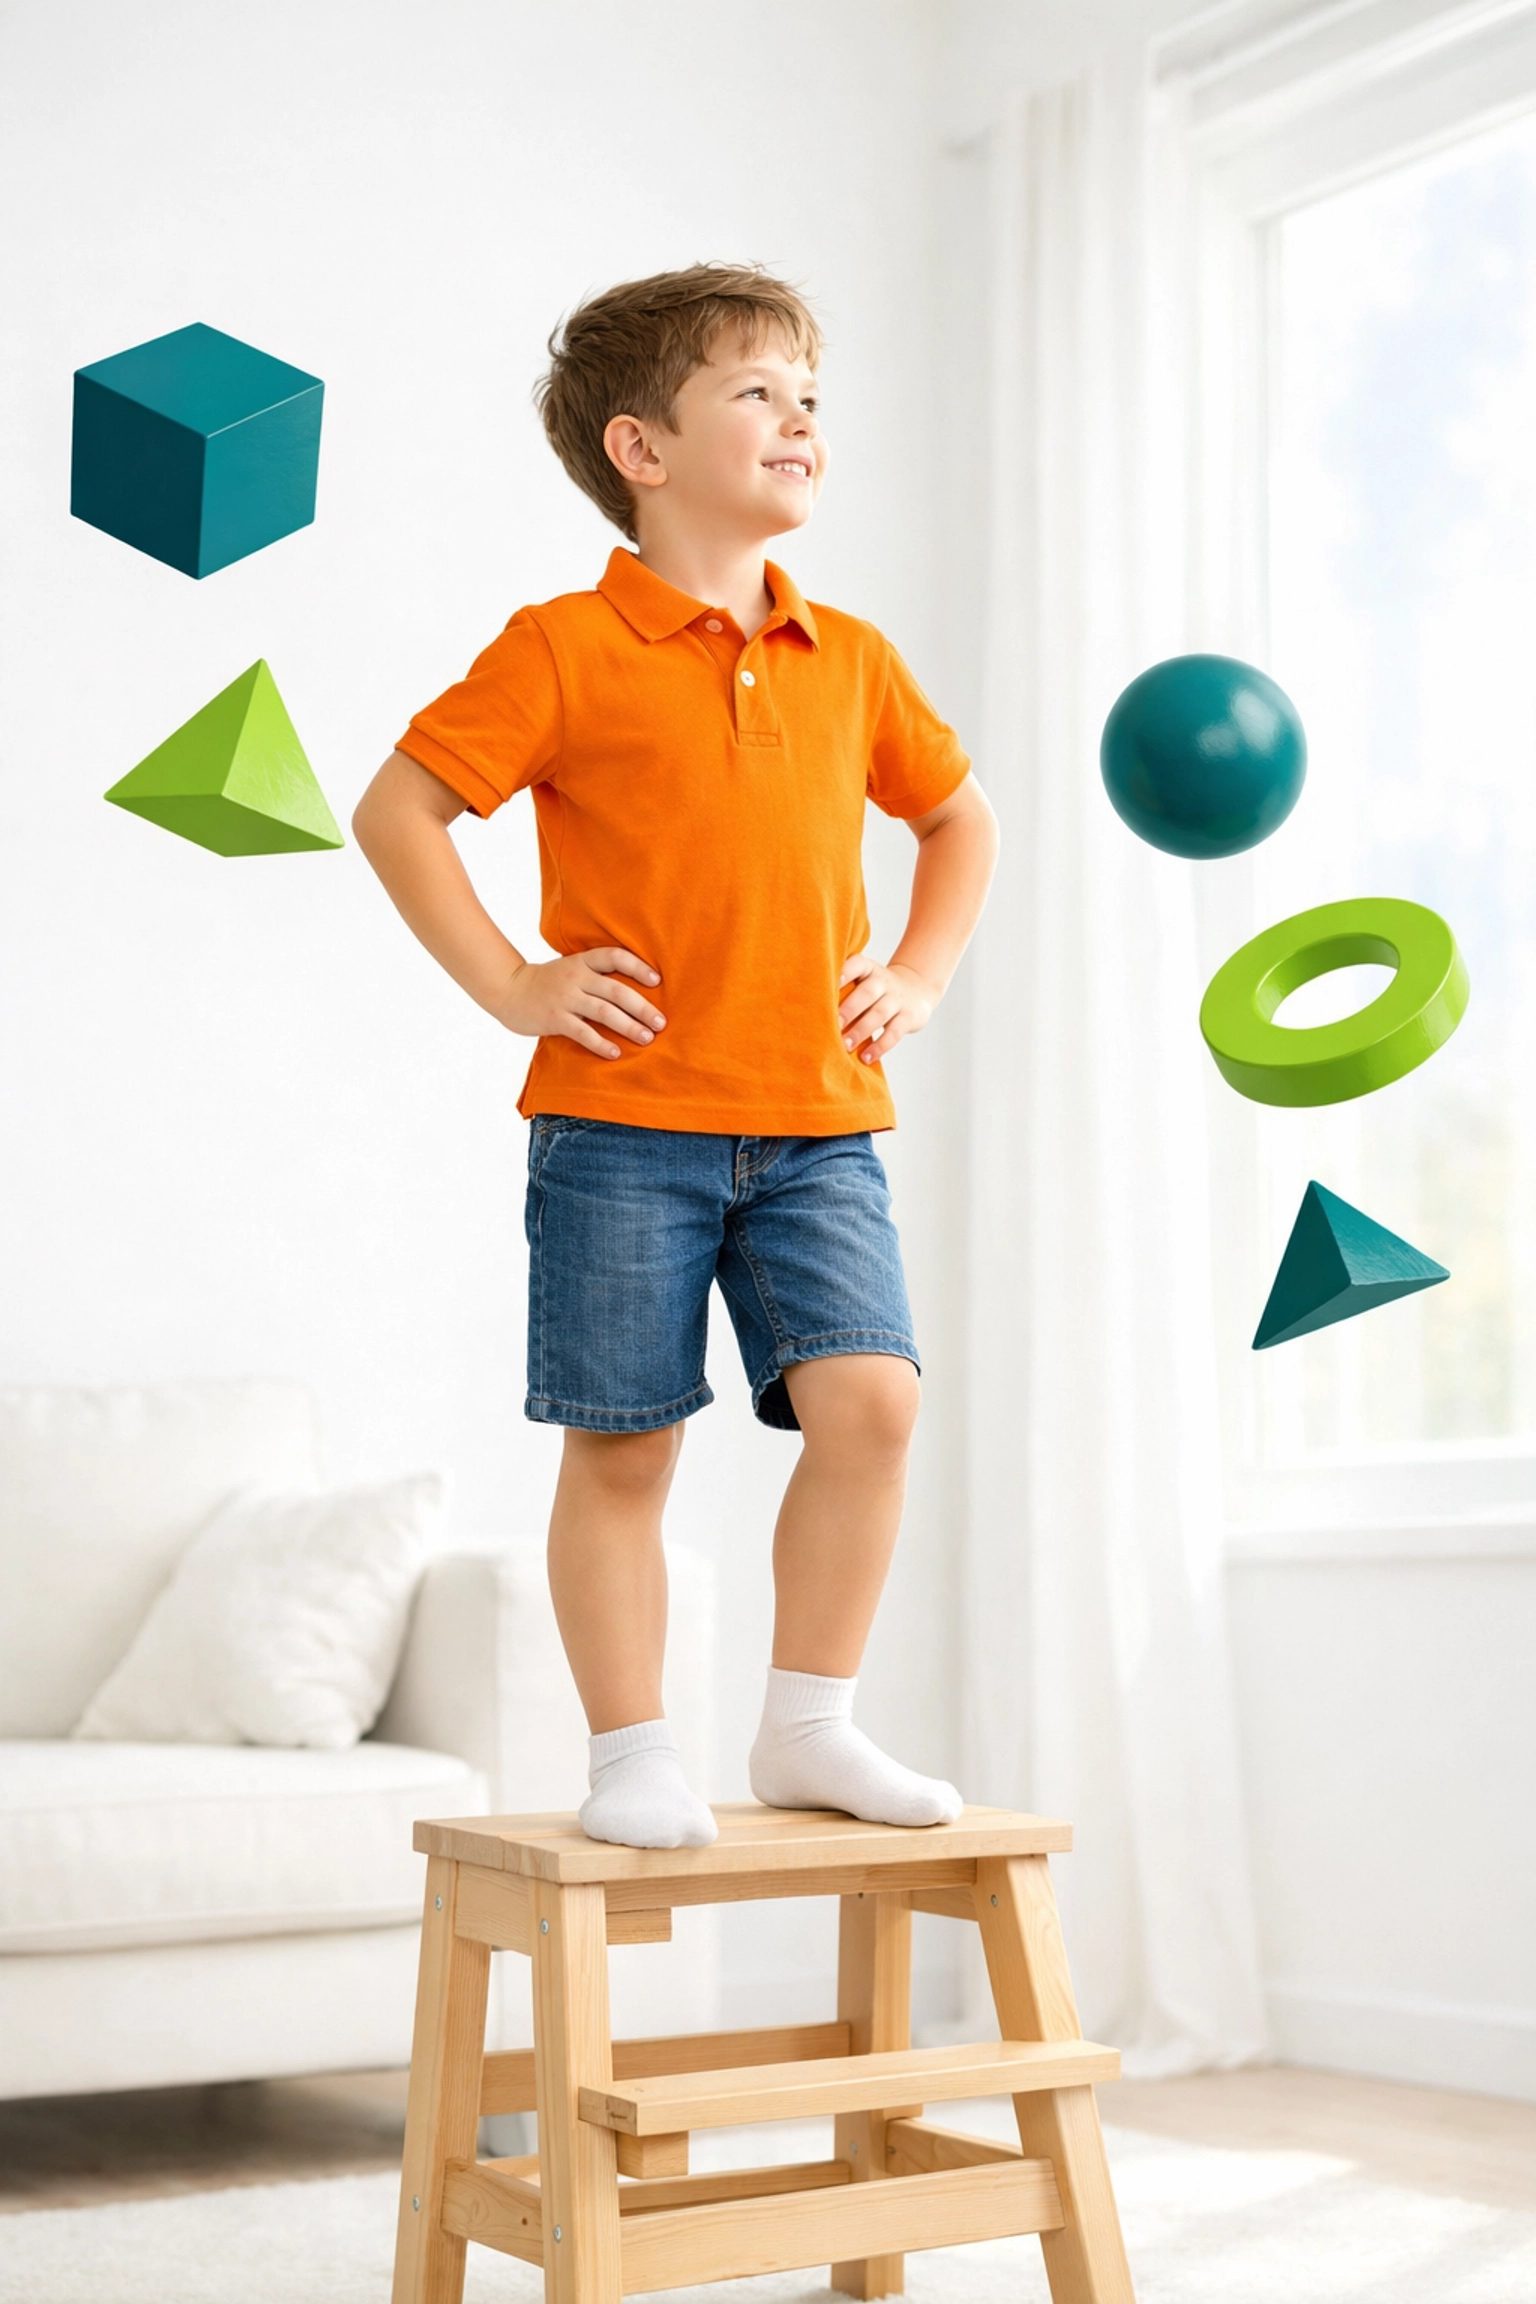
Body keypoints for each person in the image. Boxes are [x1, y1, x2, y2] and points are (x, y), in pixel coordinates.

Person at [353, 263, 998, 1849]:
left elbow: (956, 816)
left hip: (818, 1121)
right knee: (626, 1440)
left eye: (810, 399)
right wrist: (516, 982)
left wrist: (917, 969)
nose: (799, 421)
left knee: (874, 1407)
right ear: (642, 449)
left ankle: (810, 1728)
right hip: (623, 1124)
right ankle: (634, 1750)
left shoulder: (849, 655)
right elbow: (402, 810)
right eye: (758, 394)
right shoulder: (565, 646)